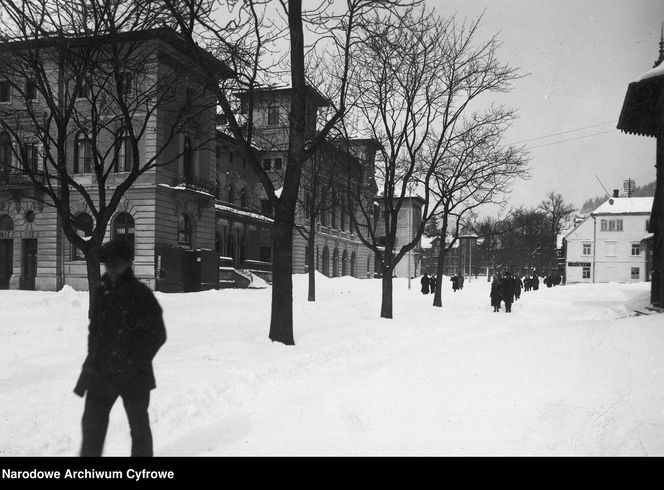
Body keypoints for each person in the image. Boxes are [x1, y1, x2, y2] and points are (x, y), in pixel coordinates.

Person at [74, 239, 167, 457]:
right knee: (92, 426)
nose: (111, 268)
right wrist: (91, 362)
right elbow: (94, 330)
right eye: (107, 263)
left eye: (116, 263)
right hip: (102, 372)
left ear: (127, 263)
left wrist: (135, 360)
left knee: (139, 429)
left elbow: (158, 334)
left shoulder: (140, 293)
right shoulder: (101, 292)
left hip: (133, 375)